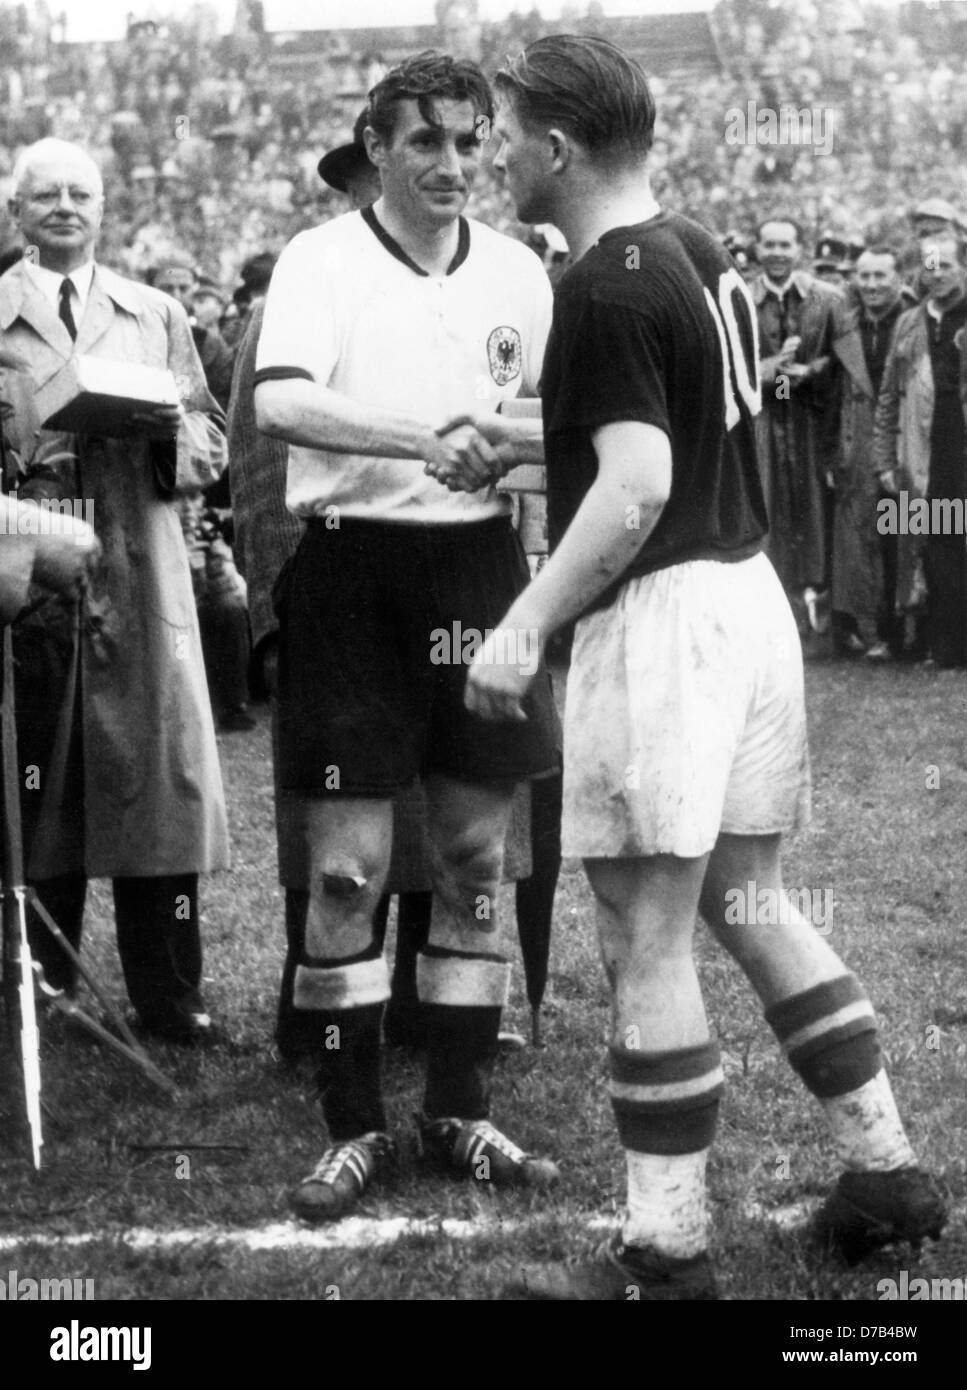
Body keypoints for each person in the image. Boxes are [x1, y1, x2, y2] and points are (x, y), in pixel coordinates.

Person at [458, 33, 945, 1299]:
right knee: (746, 900)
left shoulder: (603, 286)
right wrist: (511, 447)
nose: (495, 151)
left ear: (557, 147)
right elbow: (649, 430)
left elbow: (634, 485)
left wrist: (519, 627)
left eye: (506, 132)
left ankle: (664, 1249)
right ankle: (886, 1171)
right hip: (746, 599)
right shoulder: (688, 246)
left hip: (664, 617)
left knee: (644, 928)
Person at [253, 52, 561, 1220]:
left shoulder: (521, 272)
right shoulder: (319, 258)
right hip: (353, 569)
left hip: (478, 568)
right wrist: (429, 435)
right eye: (423, 140)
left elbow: (556, 422)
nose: (450, 164)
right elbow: (283, 399)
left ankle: (459, 1104)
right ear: (375, 147)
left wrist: (502, 441)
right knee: (348, 865)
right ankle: (351, 1128)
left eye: (469, 141)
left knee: (478, 858)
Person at [0, 138, 229, 1043]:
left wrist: (165, 426)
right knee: (32, 785)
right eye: (44, 194)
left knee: (154, 785)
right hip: (28, 571)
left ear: (104, 210)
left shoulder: (156, 313)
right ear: (17, 212)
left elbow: (210, 442)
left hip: (141, 571)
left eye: (80, 193)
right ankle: (38, 986)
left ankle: (169, 994)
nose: (64, 206)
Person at [874, 234, 967, 668]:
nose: (937, 274)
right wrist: (885, 459)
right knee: (937, 541)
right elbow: (890, 396)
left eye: (946, 265)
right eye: (929, 267)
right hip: (927, 446)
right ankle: (945, 647)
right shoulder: (909, 322)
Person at [751, 215, 840, 645]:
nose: (777, 253)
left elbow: (842, 361)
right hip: (765, 423)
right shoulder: (741, 298)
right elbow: (729, 363)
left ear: (798, 249)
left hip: (806, 420)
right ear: (757, 249)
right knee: (771, 511)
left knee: (810, 509)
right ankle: (778, 613)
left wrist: (811, 369)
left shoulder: (826, 299)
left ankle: (818, 610)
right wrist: (774, 373)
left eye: (785, 245)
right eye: (769, 245)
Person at [827, 246, 906, 657]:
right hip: (856, 442)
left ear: (898, 278)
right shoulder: (844, 324)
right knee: (862, 536)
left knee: (910, 531)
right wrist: (831, 452)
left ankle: (912, 631)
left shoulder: (913, 321)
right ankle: (865, 628)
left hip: (904, 438)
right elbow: (828, 392)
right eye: (865, 276)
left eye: (881, 276)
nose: (872, 285)